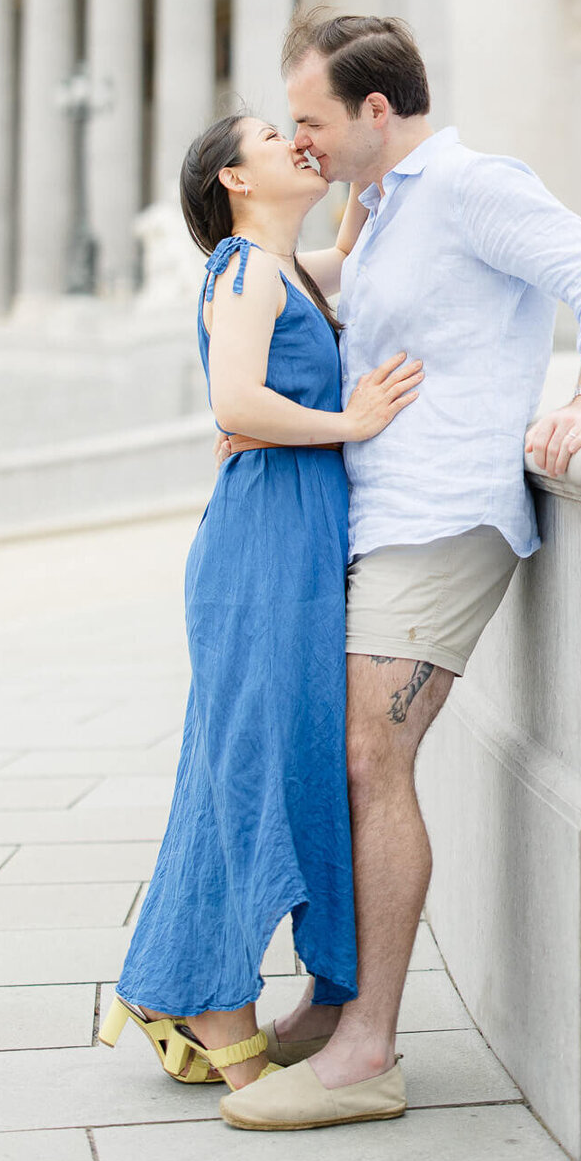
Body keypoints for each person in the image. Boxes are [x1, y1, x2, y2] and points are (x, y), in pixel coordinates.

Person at [219, 10, 581, 1131]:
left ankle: (369, 1053)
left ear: (376, 108)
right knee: (340, 761)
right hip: (373, 516)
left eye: (312, 120)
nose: (300, 141)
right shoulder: (381, 211)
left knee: (375, 758)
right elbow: (314, 308)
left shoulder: (470, 186)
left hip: (445, 518)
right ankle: (334, 1005)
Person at [99, 111, 423, 1098]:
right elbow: (235, 402)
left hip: (295, 535)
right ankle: (213, 1001)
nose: (294, 143)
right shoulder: (243, 271)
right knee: (247, 765)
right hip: (263, 542)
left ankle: (184, 984)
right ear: (235, 180)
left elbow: (352, 250)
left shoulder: (288, 270)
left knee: (257, 759)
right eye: (275, 137)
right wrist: (350, 421)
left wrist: (359, 149)